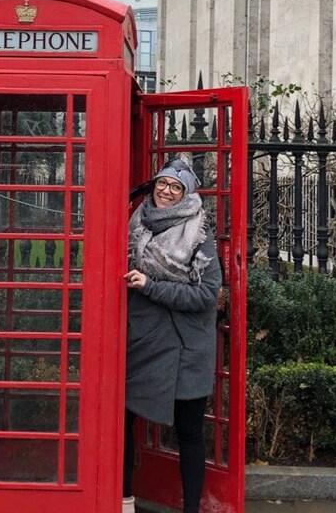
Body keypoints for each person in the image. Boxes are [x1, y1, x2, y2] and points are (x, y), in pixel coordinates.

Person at [122, 159, 222, 513]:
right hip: (142, 343)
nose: (166, 191)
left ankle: (191, 508)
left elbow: (206, 296)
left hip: (185, 349)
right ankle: (123, 501)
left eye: (175, 187)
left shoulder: (199, 233)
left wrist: (151, 285)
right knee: (121, 422)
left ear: (187, 193)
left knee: (190, 433)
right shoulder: (135, 222)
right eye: (162, 183)